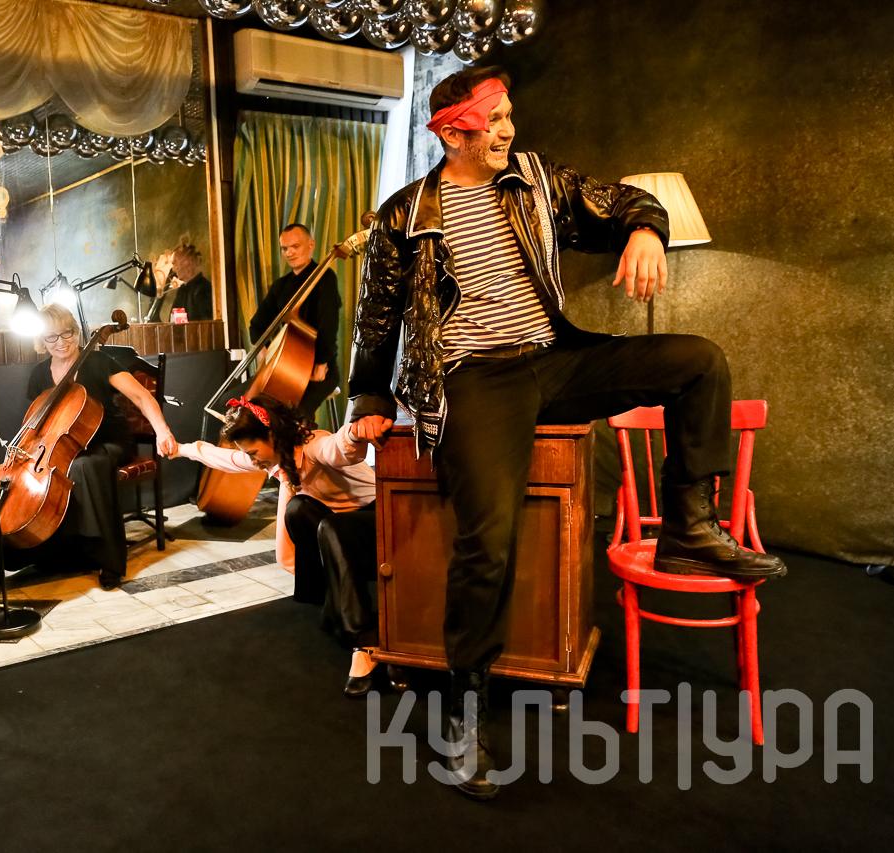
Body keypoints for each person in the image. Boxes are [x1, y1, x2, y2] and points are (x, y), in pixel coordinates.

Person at [348, 66, 787, 800]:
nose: (508, 130)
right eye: (493, 120)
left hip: (554, 356)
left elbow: (623, 200)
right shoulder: (405, 216)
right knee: (488, 538)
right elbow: (377, 314)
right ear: (453, 132)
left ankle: (688, 526)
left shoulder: (536, 181)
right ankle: (462, 711)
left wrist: (644, 230)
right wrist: (367, 393)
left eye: (508, 116)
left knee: (699, 362)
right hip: (474, 376)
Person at [172, 395, 400, 696]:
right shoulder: (278, 460)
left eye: (253, 452)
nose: (252, 460)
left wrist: (355, 432)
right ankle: (330, 599)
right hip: (341, 530)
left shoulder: (312, 446)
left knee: (330, 525)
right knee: (298, 509)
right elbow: (225, 459)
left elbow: (337, 448)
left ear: (271, 436)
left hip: (379, 521)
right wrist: (179, 449)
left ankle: (365, 643)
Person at [0, 304, 177, 590]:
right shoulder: (39, 374)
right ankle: (0, 557)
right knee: (21, 486)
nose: (61, 342)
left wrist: (162, 431)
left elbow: (141, 396)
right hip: (61, 447)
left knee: (85, 467)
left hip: (106, 441)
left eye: (67, 333)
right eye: (52, 337)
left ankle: (108, 560)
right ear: (42, 341)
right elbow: (38, 422)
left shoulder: (98, 361)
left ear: (76, 331)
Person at [248, 223, 342, 421]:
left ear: (311, 245)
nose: (289, 252)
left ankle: (303, 440)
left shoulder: (325, 278)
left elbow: (328, 325)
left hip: (320, 368)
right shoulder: (281, 286)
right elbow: (257, 325)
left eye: (295, 246)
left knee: (294, 415)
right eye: (284, 248)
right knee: (251, 406)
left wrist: (321, 362)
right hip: (287, 368)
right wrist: (265, 351)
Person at [167, 241, 212, 320]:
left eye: (175, 263)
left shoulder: (203, 289)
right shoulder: (182, 290)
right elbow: (173, 321)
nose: (173, 269)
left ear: (187, 262)